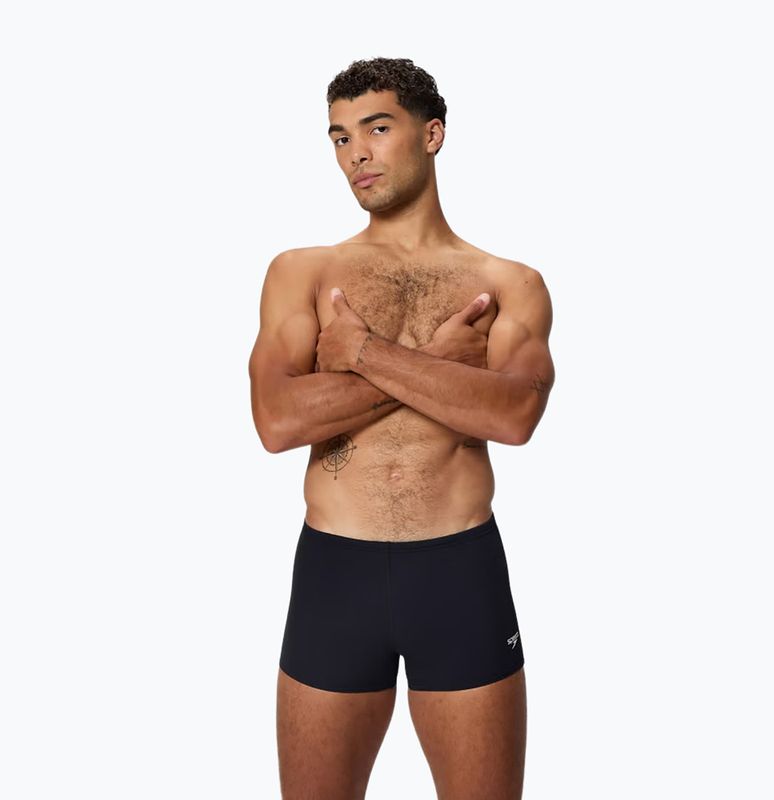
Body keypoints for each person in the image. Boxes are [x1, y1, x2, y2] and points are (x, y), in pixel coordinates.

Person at [248, 57, 555, 800]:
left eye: (377, 128)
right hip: (335, 576)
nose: (356, 152)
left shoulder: (508, 283)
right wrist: (438, 368)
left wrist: (362, 354)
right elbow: (277, 420)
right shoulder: (303, 272)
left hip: (459, 575)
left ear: (432, 134)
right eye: (340, 137)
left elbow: (513, 415)